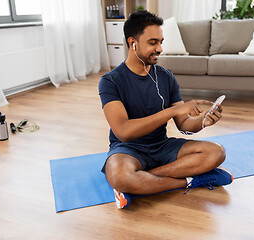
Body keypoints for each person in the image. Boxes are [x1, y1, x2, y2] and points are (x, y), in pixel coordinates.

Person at [98, 10, 233, 209]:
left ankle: (140, 181)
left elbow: (184, 125)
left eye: (161, 41)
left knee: (216, 152)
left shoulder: (166, 76)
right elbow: (123, 132)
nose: (160, 48)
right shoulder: (110, 81)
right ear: (132, 42)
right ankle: (189, 180)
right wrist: (171, 112)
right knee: (119, 174)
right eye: (153, 42)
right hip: (128, 150)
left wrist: (204, 121)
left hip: (162, 146)